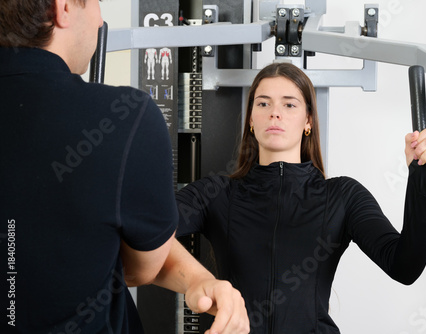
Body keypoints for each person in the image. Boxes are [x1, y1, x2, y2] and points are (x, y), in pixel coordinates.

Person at [0, 0, 249, 333]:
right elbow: (141, 268)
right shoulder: (124, 116)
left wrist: (199, 279)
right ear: (62, 9)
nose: (101, 20)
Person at [175, 62, 426, 333]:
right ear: (250, 119)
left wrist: (424, 186)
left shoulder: (342, 196)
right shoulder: (215, 194)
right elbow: (149, 228)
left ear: (308, 120)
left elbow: (405, 266)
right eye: (263, 104)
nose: (275, 113)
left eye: (289, 104)